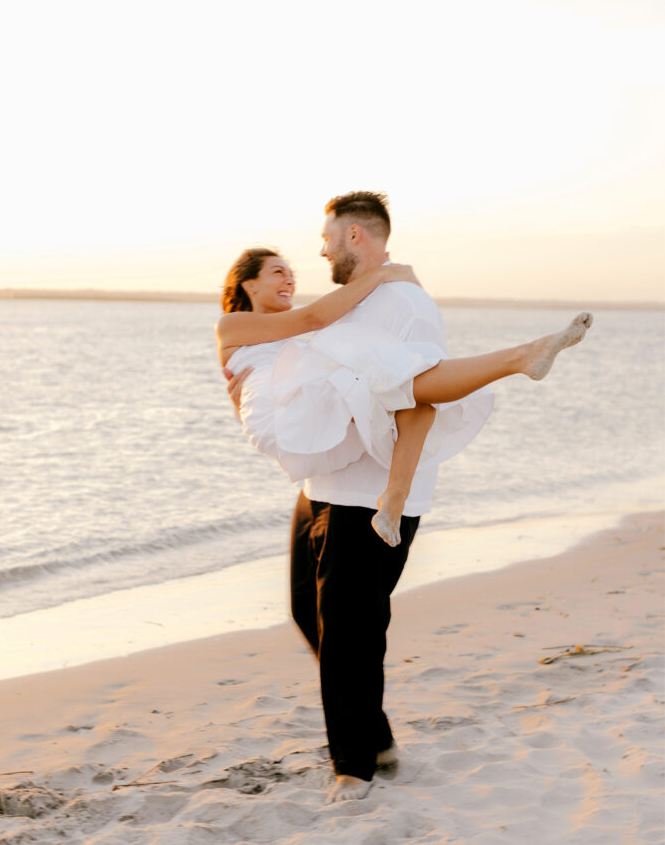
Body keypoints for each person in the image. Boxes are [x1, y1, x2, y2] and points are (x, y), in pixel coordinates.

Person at [220, 191, 592, 802]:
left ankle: (355, 767)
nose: (315, 253)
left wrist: (395, 493)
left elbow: (419, 395)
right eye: (280, 268)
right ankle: (374, 735)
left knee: (352, 633)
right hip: (323, 487)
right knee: (310, 615)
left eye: (325, 239)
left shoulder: (406, 304)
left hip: (367, 496)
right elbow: (313, 344)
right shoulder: (343, 307)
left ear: (355, 238)